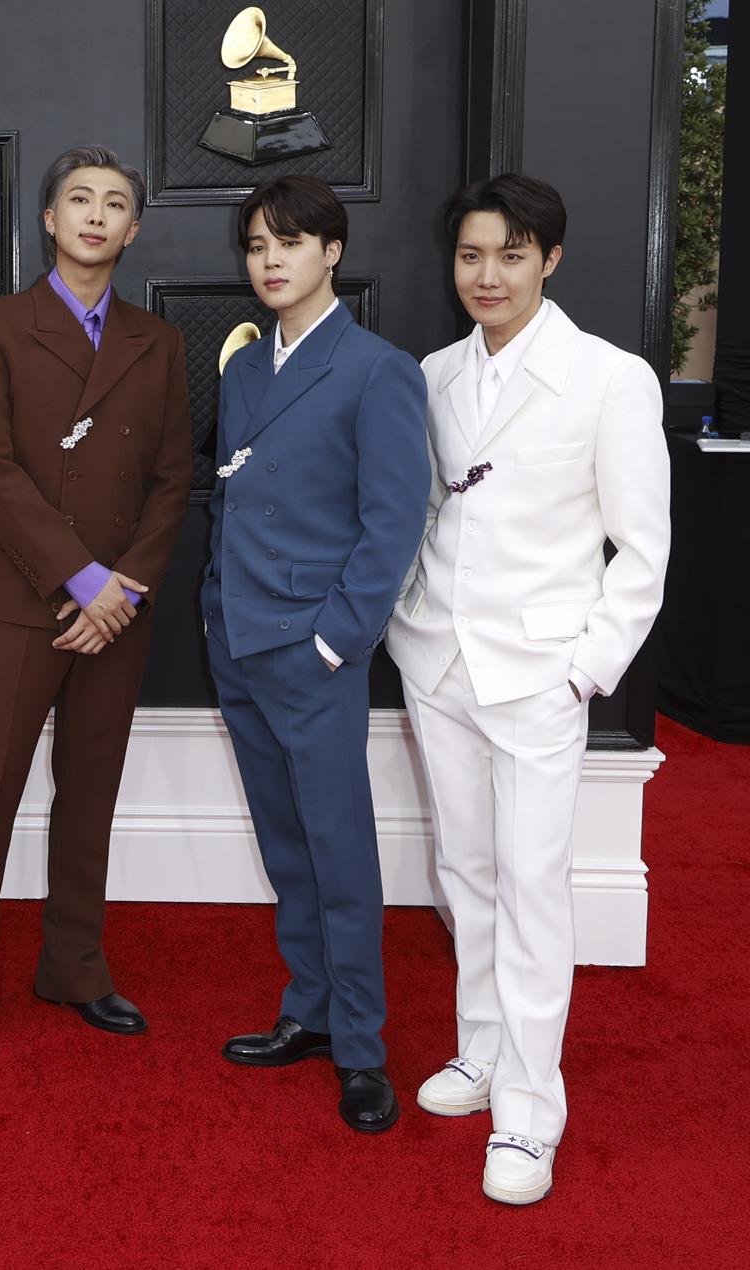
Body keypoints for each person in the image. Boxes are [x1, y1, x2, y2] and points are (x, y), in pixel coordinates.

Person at [388, 173, 670, 1203]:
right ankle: (482, 1049)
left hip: (542, 673)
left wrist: (584, 671)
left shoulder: (610, 378)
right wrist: (405, 621)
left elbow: (643, 549)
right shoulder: (433, 374)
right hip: (438, 661)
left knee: (533, 883)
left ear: (549, 258)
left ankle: (529, 1110)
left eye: (511, 255)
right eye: (471, 255)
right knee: (464, 870)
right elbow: (421, 511)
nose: (488, 275)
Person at [0, 145, 192, 1064]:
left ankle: (74, 966)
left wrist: (122, 589)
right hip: (23, 596)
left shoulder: (158, 342)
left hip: (120, 607)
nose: (95, 215)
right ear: (50, 218)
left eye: (115, 203)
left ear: (133, 228)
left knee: (90, 790)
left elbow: (172, 481)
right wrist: (81, 578)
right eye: (80, 199)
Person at [202, 175, 429, 1133]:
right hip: (237, 638)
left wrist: (336, 641)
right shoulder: (243, 369)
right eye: (257, 245)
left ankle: (362, 1048)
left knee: (338, 850)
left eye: (290, 243)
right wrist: (217, 610)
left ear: (331, 252)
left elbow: (395, 523)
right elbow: (230, 497)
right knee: (286, 845)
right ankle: (310, 1010)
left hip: (312, 648)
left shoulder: (378, 369)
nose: (271, 260)